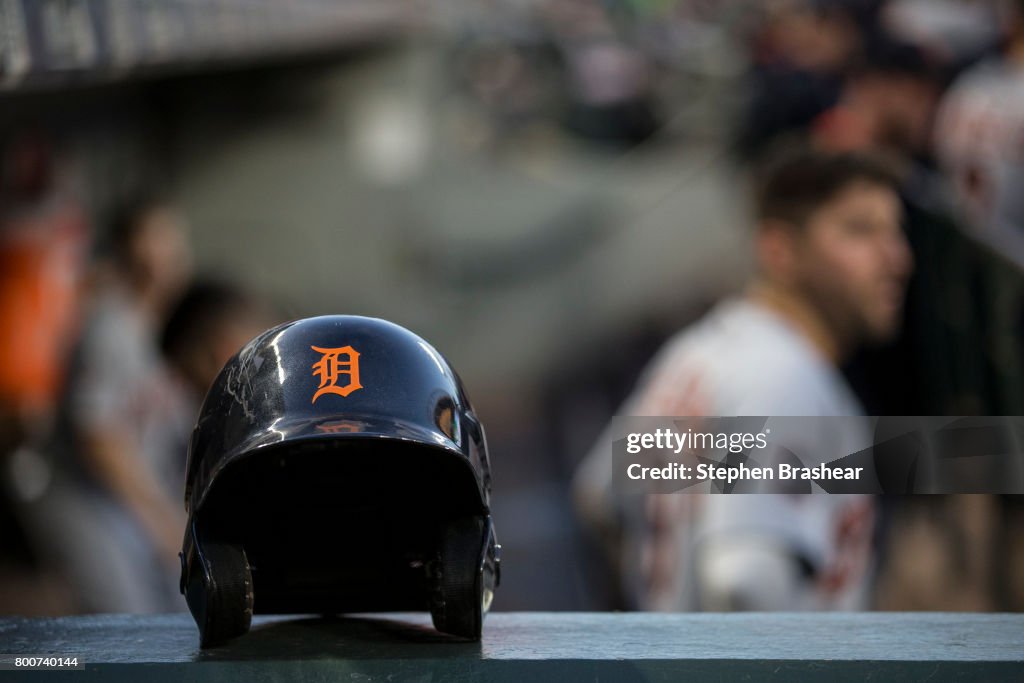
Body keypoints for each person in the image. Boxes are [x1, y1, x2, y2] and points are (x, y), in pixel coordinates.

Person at [573, 143, 913, 611]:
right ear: (780, 250)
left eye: (895, 233)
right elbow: (743, 580)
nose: (896, 258)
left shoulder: (703, 347)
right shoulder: (782, 382)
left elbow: (598, 496)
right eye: (860, 232)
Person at [18, 195, 193, 613]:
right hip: (83, 490)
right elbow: (97, 438)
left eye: (170, 240)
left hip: (135, 490)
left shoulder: (168, 327)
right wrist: (158, 518)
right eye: (152, 240)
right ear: (128, 251)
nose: (164, 253)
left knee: (174, 602)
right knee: (125, 612)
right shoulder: (109, 325)